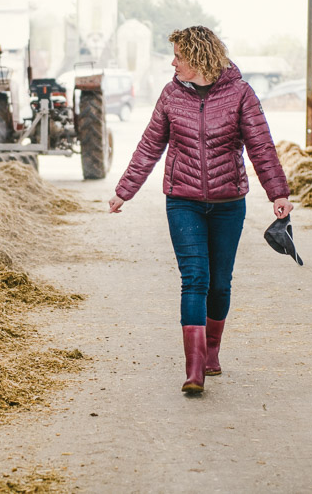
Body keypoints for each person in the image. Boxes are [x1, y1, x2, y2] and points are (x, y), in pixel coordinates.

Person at [108, 26, 293, 395]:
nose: (172, 62)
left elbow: (261, 146)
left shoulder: (240, 93)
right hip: (183, 201)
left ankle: (211, 353)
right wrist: (123, 191)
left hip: (228, 203)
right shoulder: (170, 95)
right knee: (195, 278)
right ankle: (194, 372)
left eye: (178, 56)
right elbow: (149, 147)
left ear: (197, 57)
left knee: (220, 283)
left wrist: (278, 192)